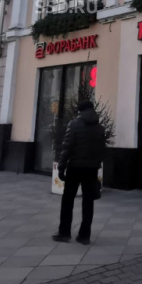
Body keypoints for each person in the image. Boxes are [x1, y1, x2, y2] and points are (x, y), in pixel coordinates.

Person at [54, 100, 106, 245]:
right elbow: (102, 150)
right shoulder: (99, 128)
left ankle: (64, 233)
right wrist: (96, 165)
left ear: (80, 111)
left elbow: (67, 147)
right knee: (88, 202)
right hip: (91, 169)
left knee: (68, 200)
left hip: (75, 168)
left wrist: (61, 167)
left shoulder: (74, 125)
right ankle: (84, 236)